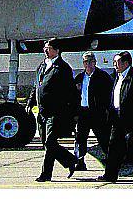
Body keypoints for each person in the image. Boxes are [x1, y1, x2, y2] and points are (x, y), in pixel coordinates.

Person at [27, 38, 79, 182]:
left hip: (56, 112)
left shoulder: (62, 68)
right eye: (45, 47)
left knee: (50, 143)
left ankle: (46, 174)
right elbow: (36, 86)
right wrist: (30, 102)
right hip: (42, 111)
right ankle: (69, 160)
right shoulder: (42, 66)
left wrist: (73, 112)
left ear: (57, 50)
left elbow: (71, 92)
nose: (45, 50)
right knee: (46, 142)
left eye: (48, 48)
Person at [100, 51, 133, 183]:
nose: (114, 65)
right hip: (117, 118)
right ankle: (110, 175)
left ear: (126, 63)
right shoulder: (117, 77)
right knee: (113, 147)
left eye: (117, 62)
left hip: (131, 119)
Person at [73, 52, 113, 172]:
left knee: (103, 137)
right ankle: (80, 161)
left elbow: (109, 94)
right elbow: (74, 96)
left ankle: (110, 160)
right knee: (80, 138)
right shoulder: (80, 77)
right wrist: (75, 113)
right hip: (83, 112)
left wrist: (106, 110)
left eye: (90, 61)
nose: (88, 64)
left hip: (97, 112)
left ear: (95, 62)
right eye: (86, 62)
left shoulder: (103, 77)